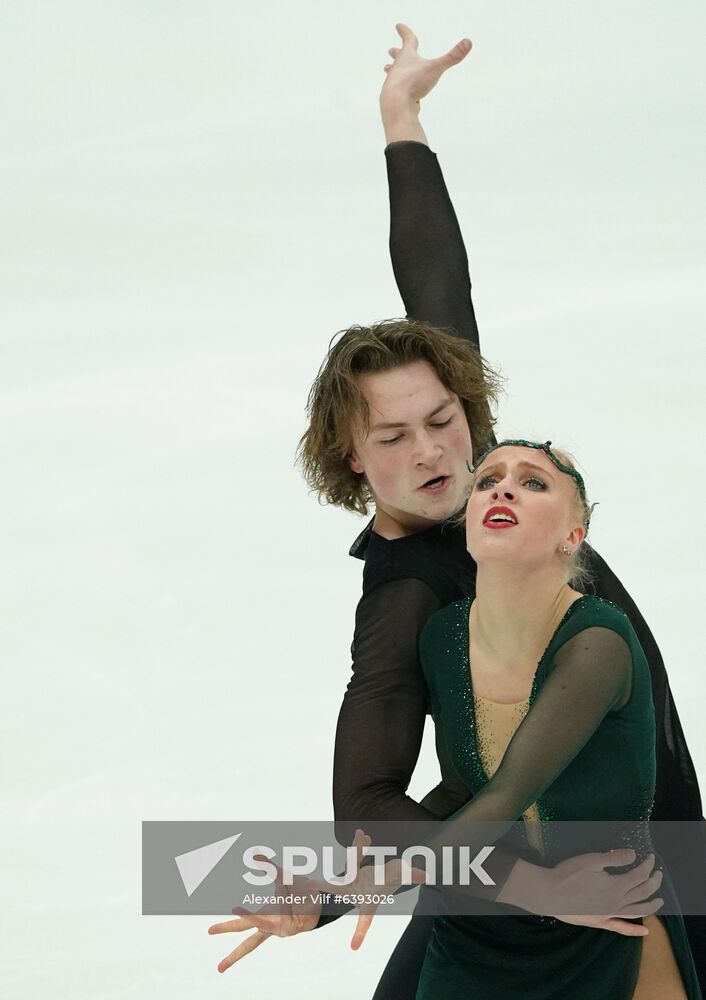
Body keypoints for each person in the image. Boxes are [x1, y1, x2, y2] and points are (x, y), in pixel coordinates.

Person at [209, 24, 705, 994]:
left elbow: (437, 285)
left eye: (443, 418)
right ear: (351, 457)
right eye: (393, 438)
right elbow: (368, 803)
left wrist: (403, 119)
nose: (434, 450)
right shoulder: (408, 600)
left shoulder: (491, 481)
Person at [401, 438, 700, 997]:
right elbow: (464, 791)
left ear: (574, 536)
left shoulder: (598, 642)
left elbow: (504, 796)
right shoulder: (442, 637)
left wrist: (348, 889)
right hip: (480, 934)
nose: (503, 487)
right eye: (487, 481)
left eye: (533, 482)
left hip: (610, 918)